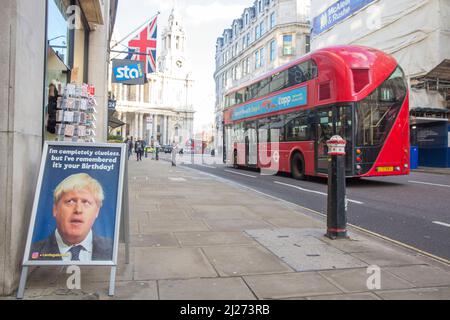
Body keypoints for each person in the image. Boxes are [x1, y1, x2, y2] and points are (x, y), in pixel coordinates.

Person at [30, 173, 112, 261]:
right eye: (70, 201)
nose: (78, 210)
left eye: (86, 202)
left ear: (97, 211)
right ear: (55, 209)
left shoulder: (114, 251)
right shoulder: (31, 253)